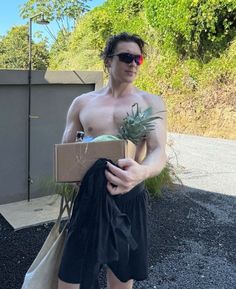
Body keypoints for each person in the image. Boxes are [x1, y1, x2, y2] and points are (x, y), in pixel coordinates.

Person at [58, 32, 167, 289]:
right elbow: (66, 149)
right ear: (108, 60)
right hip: (89, 199)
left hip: (128, 198)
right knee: (70, 280)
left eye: (138, 59)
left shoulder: (150, 102)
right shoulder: (82, 102)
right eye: (126, 57)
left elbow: (158, 150)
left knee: (120, 281)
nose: (133, 63)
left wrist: (142, 172)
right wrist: (73, 176)